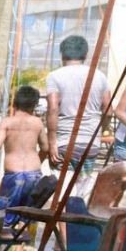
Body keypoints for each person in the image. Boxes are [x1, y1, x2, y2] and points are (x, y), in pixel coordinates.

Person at [46, 35, 111, 198]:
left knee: (63, 193)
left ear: (62, 54)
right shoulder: (100, 76)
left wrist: (52, 141)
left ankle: (63, 224)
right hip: (90, 144)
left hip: (64, 143)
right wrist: (100, 131)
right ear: (85, 54)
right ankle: (78, 221)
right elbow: (108, 111)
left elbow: (53, 108)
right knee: (81, 194)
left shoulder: (55, 76)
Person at [0, 86, 49, 227]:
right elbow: (45, 148)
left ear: (15, 104)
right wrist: (37, 161)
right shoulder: (37, 123)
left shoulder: (7, 122)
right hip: (34, 174)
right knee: (26, 217)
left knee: (5, 216)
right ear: (34, 104)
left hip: (13, 175)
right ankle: (20, 248)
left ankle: (5, 244)